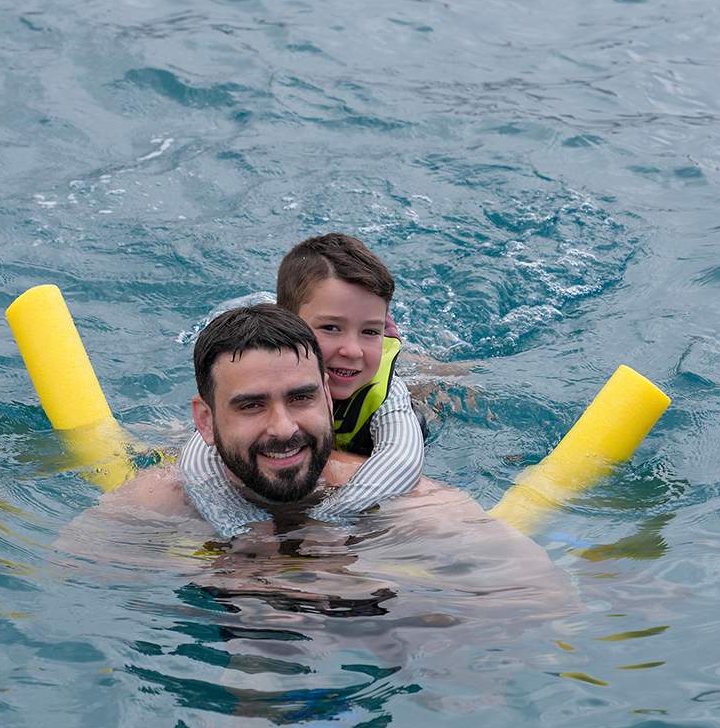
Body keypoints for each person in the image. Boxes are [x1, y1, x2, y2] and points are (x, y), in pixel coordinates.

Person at [66, 304, 574, 611]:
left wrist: (393, 595)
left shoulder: (408, 504)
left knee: (429, 393)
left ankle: (408, 366)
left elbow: (542, 596)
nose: (283, 428)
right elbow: (70, 590)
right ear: (206, 420)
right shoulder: (156, 502)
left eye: (302, 398)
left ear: (329, 399)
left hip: (408, 422)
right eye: (250, 405)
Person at [179, 234, 425, 535]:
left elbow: (401, 462)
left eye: (370, 331)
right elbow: (198, 462)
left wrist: (326, 520)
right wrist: (243, 528)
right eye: (331, 328)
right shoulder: (252, 376)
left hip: (414, 398)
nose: (353, 350)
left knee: (434, 391)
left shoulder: (389, 394)